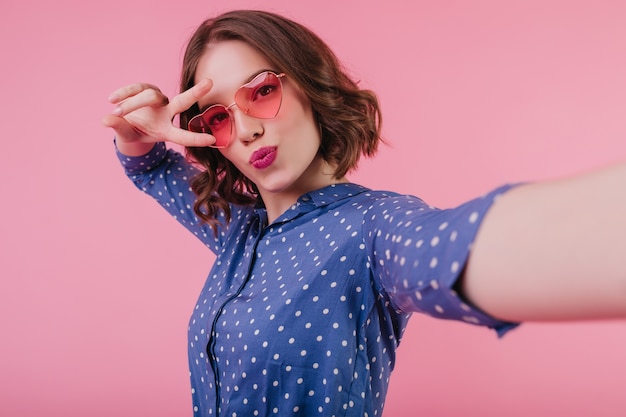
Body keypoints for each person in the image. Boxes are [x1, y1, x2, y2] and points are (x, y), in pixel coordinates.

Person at [102, 9, 626, 417]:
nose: (245, 131)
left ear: (310, 84)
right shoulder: (240, 231)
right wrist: (135, 127)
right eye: (219, 117)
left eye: (263, 91)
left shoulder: (374, 228)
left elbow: (455, 247)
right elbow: (148, 168)